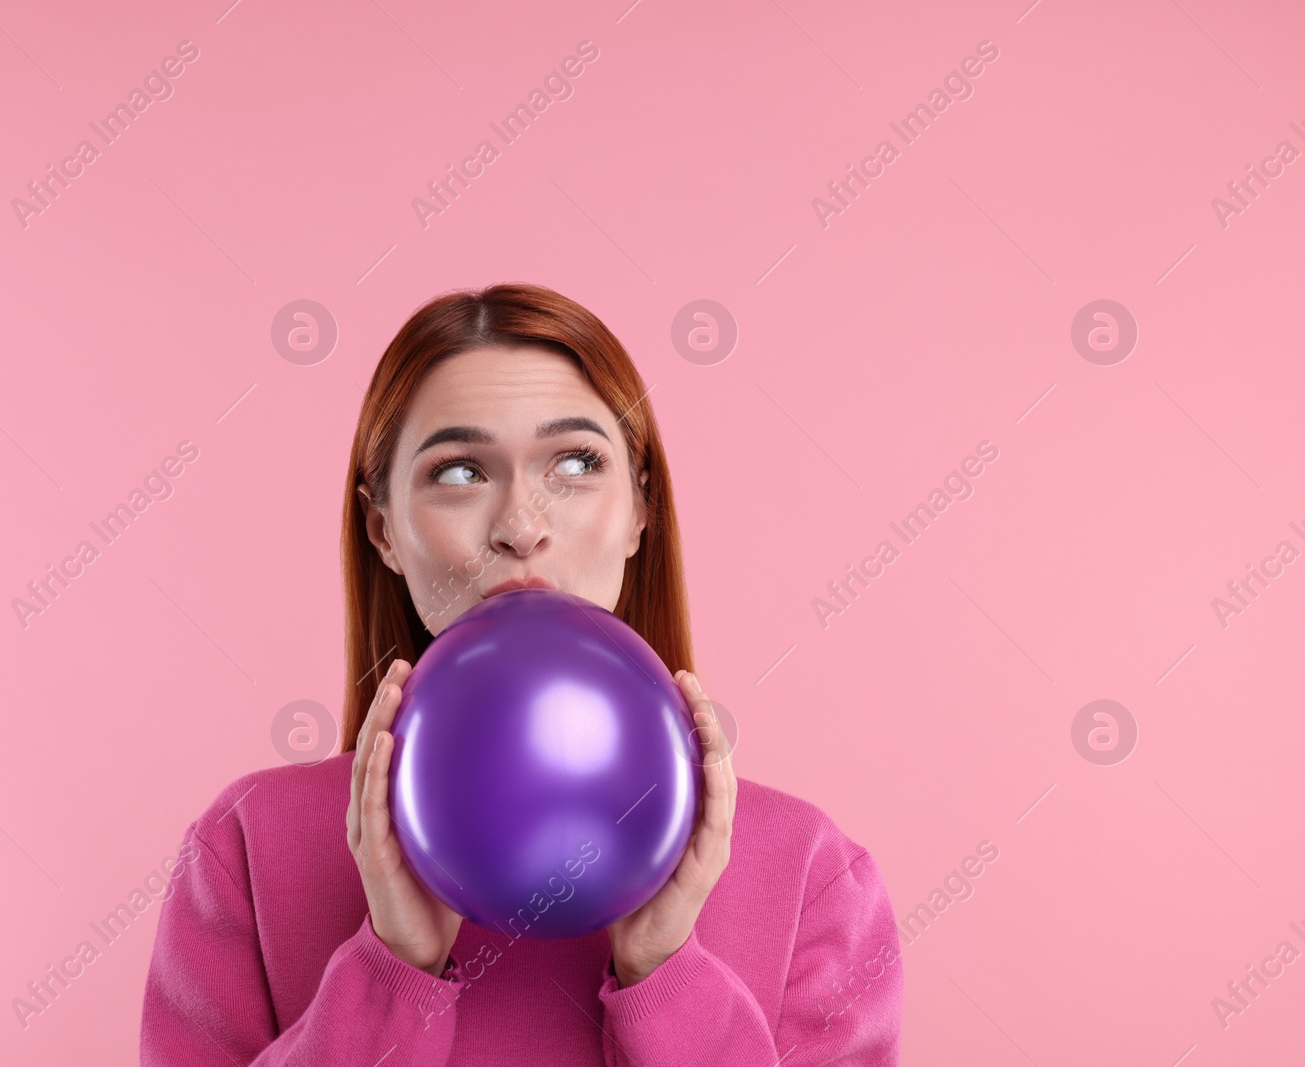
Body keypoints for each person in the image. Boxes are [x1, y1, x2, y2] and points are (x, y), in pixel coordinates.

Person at [140, 283, 904, 1065]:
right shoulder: (247, 849)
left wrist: (666, 976)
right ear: (384, 531)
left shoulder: (810, 873)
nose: (520, 527)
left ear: (641, 509)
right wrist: (393, 967)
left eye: (575, 462)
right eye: (461, 471)